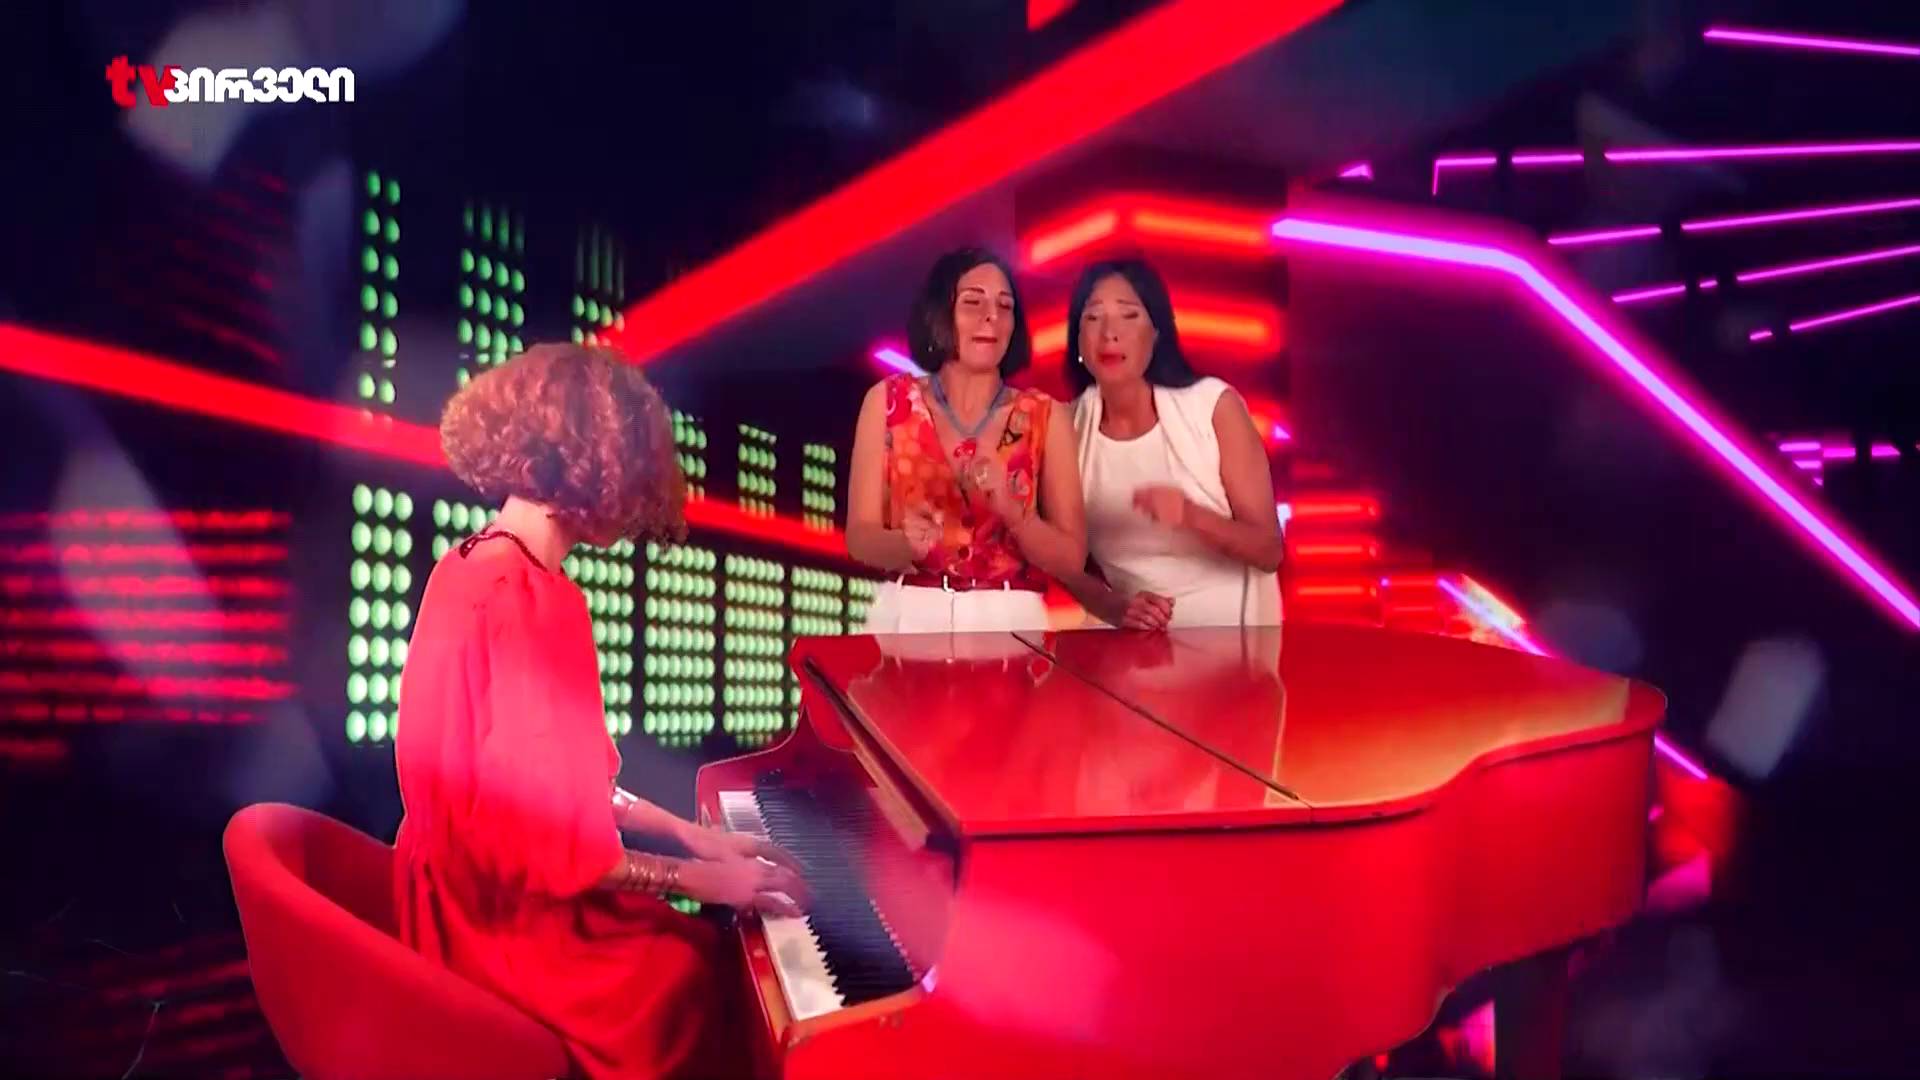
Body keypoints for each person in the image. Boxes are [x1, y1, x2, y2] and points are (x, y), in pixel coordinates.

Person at [393, 343, 808, 1080]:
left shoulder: (466, 563)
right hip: (499, 931)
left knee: (690, 945)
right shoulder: (535, 600)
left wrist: (691, 837)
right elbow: (556, 848)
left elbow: (560, 795)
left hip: (448, 906)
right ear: (592, 468)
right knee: (693, 972)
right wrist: (699, 880)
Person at [846, 247, 1086, 635]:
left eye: (1005, 306)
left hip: (1010, 620)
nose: (992, 316)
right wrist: (905, 544)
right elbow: (860, 537)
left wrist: (1017, 517)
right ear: (939, 314)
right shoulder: (887, 403)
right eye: (973, 302)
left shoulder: (1046, 417)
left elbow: (1072, 559)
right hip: (910, 616)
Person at [1062, 258, 1284, 629]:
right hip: (1129, 637)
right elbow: (1064, 561)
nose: (1109, 333)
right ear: (1078, 340)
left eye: (1129, 315)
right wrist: (1115, 605)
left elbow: (1269, 550)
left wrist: (1190, 516)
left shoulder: (1214, 407)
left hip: (1229, 635)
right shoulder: (1067, 428)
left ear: (1156, 332)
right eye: (1094, 317)